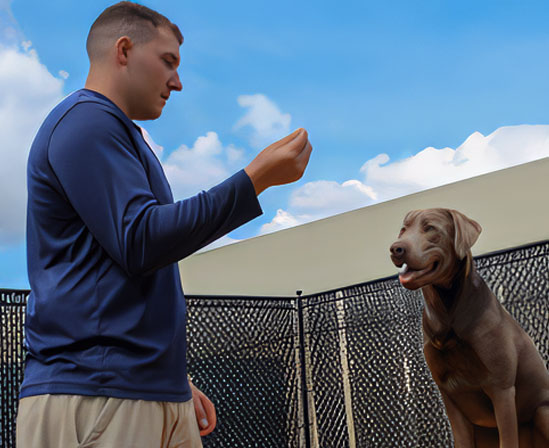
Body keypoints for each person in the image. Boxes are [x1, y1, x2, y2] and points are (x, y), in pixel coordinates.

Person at [16, 2, 312, 447]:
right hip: (96, 393)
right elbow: (141, 240)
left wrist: (170, 378)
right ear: (123, 50)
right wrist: (255, 181)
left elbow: (123, 268)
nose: (177, 81)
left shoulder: (117, 133)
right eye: (168, 61)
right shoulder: (85, 122)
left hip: (141, 391)